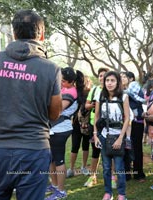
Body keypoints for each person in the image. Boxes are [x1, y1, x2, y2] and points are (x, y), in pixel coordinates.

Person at [0, 9, 62, 200]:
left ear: (14, 33)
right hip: (34, 151)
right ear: (41, 35)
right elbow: (55, 113)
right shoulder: (50, 69)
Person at [46, 67, 85, 200]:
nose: (60, 82)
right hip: (53, 128)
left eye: (63, 81)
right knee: (51, 159)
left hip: (60, 128)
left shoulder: (71, 92)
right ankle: (55, 185)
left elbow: (58, 108)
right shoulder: (64, 88)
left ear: (71, 82)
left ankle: (61, 191)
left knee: (58, 159)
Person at [93, 71, 130, 200]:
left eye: (112, 80)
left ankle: (121, 194)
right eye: (107, 80)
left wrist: (121, 138)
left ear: (118, 82)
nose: (109, 83)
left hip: (118, 136)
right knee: (106, 167)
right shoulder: (100, 95)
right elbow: (96, 117)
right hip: (103, 136)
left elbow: (127, 118)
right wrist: (96, 135)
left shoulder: (124, 96)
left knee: (119, 168)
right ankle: (108, 192)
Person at [84, 67, 109, 187]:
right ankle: (92, 176)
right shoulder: (94, 90)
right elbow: (86, 105)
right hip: (94, 124)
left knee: (111, 151)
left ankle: (113, 177)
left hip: (109, 126)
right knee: (95, 151)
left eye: (104, 75)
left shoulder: (112, 90)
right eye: (100, 75)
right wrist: (94, 104)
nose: (102, 77)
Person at [121, 71, 146, 182]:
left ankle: (138, 174)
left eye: (124, 76)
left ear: (130, 79)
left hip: (136, 122)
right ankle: (126, 174)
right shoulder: (119, 91)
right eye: (120, 77)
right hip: (123, 123)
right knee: (125, 148)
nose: (122, 78)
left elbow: (138, 99)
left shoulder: (134, 87)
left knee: (136, 147)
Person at [66, 75, 92, 178]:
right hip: (76, 123)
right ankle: (71, 169)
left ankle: (84, 167)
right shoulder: (75, 93)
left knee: (85, 145)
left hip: (86, 123)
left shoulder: (89, 93)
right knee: (75, 146)